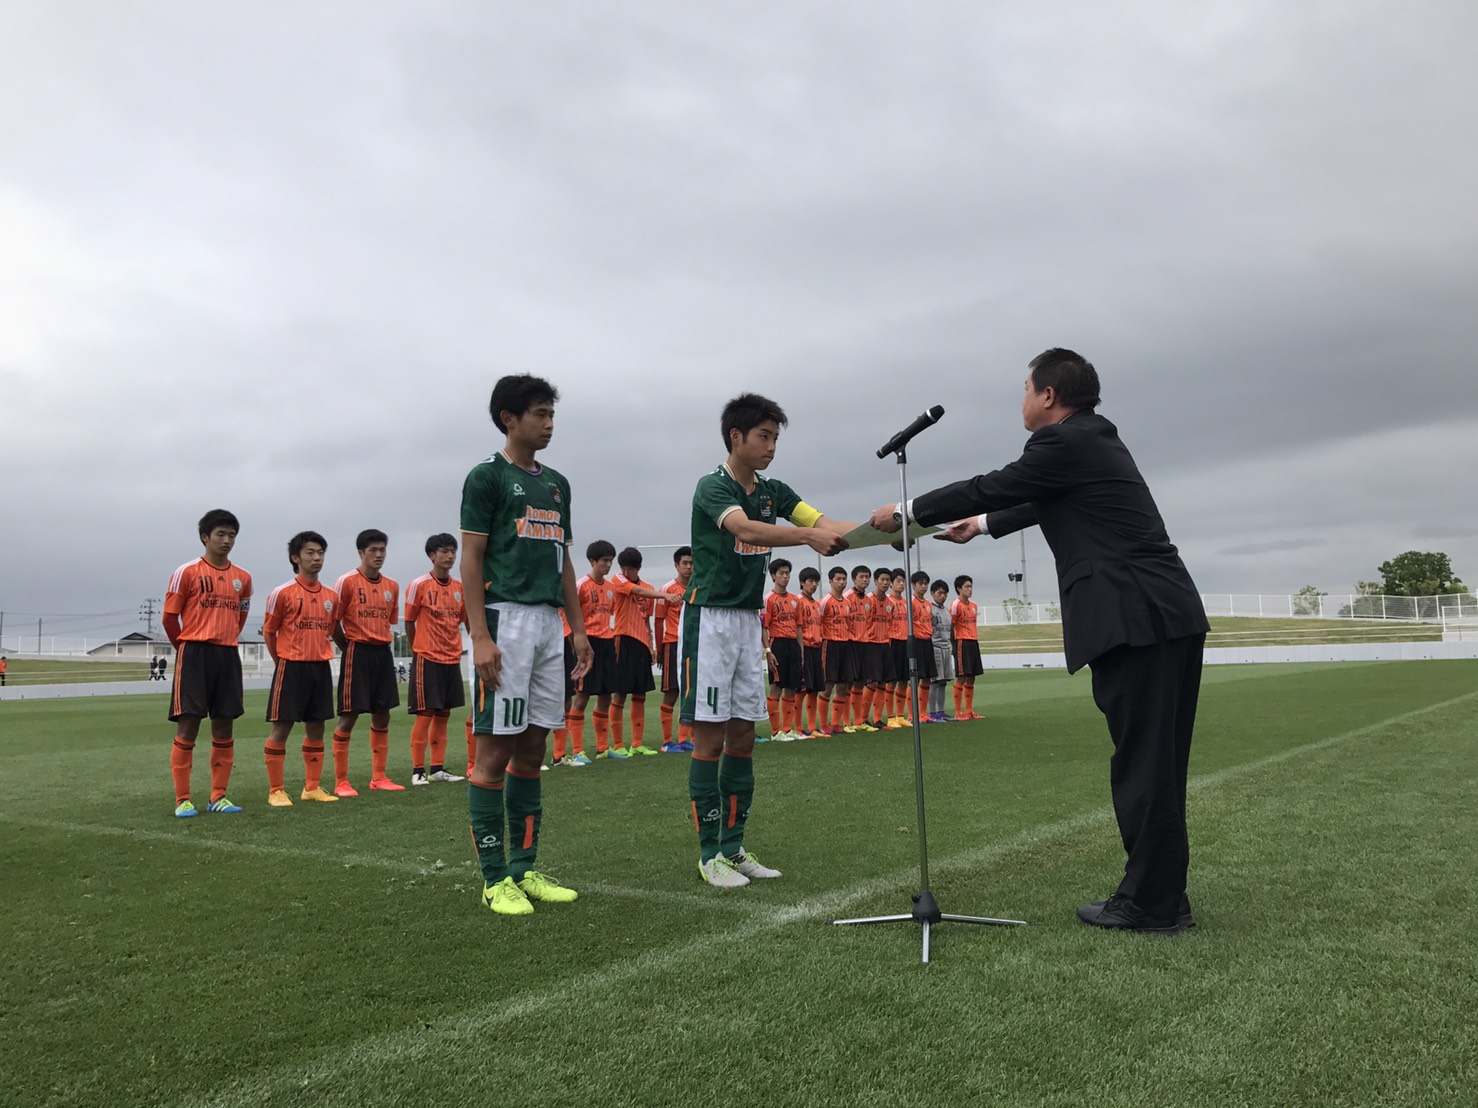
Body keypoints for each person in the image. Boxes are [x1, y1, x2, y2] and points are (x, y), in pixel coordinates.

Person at [871, 348, 1209, 935]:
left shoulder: (1062, 442)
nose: (1022, 399)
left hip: (1137, 619)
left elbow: (992, 484)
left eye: (1026, 388)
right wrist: (982, 525)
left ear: (1048, 395)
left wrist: (908, 511)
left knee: (1144, 765)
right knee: (1157, 763)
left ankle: (1151, 904)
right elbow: (1038, 499)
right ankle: (1162, 894)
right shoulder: (1091, 439)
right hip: (1164, 615)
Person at [680, 392, 852, 888]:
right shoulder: (713, 486)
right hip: (710, 620)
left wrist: (893, 530)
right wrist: (806, 538)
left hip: (745, 622)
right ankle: (709, 854)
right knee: (710, 738)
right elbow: (745, 529)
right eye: (764, 436)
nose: (772, 446)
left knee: (743, 737)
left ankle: (733, 848)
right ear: (736, 437)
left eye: (776, 437)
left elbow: (823, 524)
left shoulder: (775, 490)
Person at [461, 373, 591, 916]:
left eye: (552, 414)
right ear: (508, 419)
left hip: (546, 624)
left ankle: (524, 868)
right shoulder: (486, 477)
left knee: (535, 747)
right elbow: (471, 559)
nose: (549, 423)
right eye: (539, 414)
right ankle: (494, 880)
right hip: (504, 620)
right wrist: (481, 636)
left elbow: (564, 560)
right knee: (495, 750)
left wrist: (578, 628)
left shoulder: (557, 484)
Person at [163, 509, 253, 818]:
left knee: (224, 723)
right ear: (205, 537)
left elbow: (240, 616)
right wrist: (185, 647)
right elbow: (169, 618)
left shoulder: (243, 578)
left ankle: (218, 796)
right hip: (194, 653)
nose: (227, 540)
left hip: (227, 654)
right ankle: (183, 799)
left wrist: (225, 637)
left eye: (232, 535)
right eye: (220, 534)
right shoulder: (186, 572)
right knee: (189, 723)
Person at [261, 531, 339, 807]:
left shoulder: (331, 596)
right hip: (291, 667)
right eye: (310, 553)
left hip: (320, 667)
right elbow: (269, 632)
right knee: (282, 727)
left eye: (320, 552)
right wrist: (281, 661)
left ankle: (312, 787)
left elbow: (329, 629)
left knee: (316, 727)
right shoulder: (282, 593)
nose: (317, 558)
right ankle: (276, 790)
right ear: (296, 558)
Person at [331, 530, 403, 795]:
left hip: (382, 652)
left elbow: (390, 621)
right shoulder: (346, 582)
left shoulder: (392, 586)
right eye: (373, 550)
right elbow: (333, 621)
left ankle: (379, 777)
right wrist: (347, 647)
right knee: (348, 715)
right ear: (361, 553)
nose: (379, 554)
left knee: (382, 714)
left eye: (382, 549)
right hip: (357, 651)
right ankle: (341, 781)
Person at [405, 533, 469, 787]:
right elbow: (409, 620)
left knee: (444, 714)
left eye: (453, 551)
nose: (450, 556)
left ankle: (438, 768)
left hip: (451, 659)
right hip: (427, 657)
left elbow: (464, 620)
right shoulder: (419, 585)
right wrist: (417, 649)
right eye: (444, 551)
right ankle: (418, 771)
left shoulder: (459, 588)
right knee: (425, 714)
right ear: (432, 555)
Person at [607, 547, 671, 756]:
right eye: (624, 568)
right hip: (623, 638)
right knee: (619, 693)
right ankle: (618, 745)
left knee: (640, 694)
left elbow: (646, 619)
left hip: (642, 643)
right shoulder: (618, 580)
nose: (626, 572)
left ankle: (637, 743)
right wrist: (664, 595)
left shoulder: (648, 587)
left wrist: (651, 646)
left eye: (631, 569)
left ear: (638, 568)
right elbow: (639, 592)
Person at [570, 541, 620, 757]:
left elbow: (610, 616)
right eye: (604, 561)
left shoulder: (611, 588)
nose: (608, 565)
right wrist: (575, 646)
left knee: (606, 696)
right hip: (587, 643)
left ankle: (603, 748)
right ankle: (577, 750)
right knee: (582, 696)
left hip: (607, 643)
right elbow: (571, 616)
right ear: (592, 561)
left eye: (610, 561)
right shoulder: (581, 585)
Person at [654, 547, 694, 753]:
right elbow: (658, 621)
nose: (689, 567)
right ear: (676, 565)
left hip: (693, 646)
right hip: (673, 644)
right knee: (672, 692)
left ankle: (685, 739)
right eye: (685, 563)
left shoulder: (698, 587)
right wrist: (660, 648)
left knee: (691, 692)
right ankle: (666, 742)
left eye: (692, 563)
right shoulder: (667, 589)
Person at [760, 559, 803, 741]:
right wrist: (768, 650)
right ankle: (775, 732)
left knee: (792, 687)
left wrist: (801, 651)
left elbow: (799, 627)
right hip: (777, 644)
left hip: (793, 645)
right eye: (781, 573)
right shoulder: (768, 599)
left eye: (787, 573)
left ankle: (787, 729)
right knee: (776, 687)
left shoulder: (795, 600)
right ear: (773, 576)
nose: (785, 577)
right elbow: (764, 627)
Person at [817, 566, 852, 736]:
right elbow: (818, 622)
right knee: (828, 685)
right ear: (830, 581)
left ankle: (836, 724)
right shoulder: (825, 601)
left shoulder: (847, 603)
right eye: (838, 579)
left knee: (843, 686)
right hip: (830, 644)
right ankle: (824, 725)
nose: (842, 582)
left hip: (845, 645)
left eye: (844, 579)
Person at [795, 566, 825, 737]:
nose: (814, 585)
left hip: (816, 649)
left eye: (816, 582)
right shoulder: (798, 601)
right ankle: (798, 728)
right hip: (804, 648)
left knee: (814, 689)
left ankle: (813, 727)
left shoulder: (817, 604)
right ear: (802, 582)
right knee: (802, 690)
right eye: (810, 581)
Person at [951, 576, 984, 720]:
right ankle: (958, 712)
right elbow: (951, 626)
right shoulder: (955, 605)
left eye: (971, 586)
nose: (970, 589)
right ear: (959, 588)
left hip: (973, 642)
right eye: (967, 587)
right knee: (961, 676)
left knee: (972, 676)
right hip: (961, 642)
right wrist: (953, 645)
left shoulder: (974, 606)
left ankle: (969, 711)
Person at [927, 580, 956, 722]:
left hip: (946, 648)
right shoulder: (930, 609)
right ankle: (932, 712)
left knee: (943, 681)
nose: (942, 596)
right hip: (935, 648)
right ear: (932, 593)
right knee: (934, 681)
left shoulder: (947, 611)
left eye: (945, 593)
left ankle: (941, 711)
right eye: (939, 593)